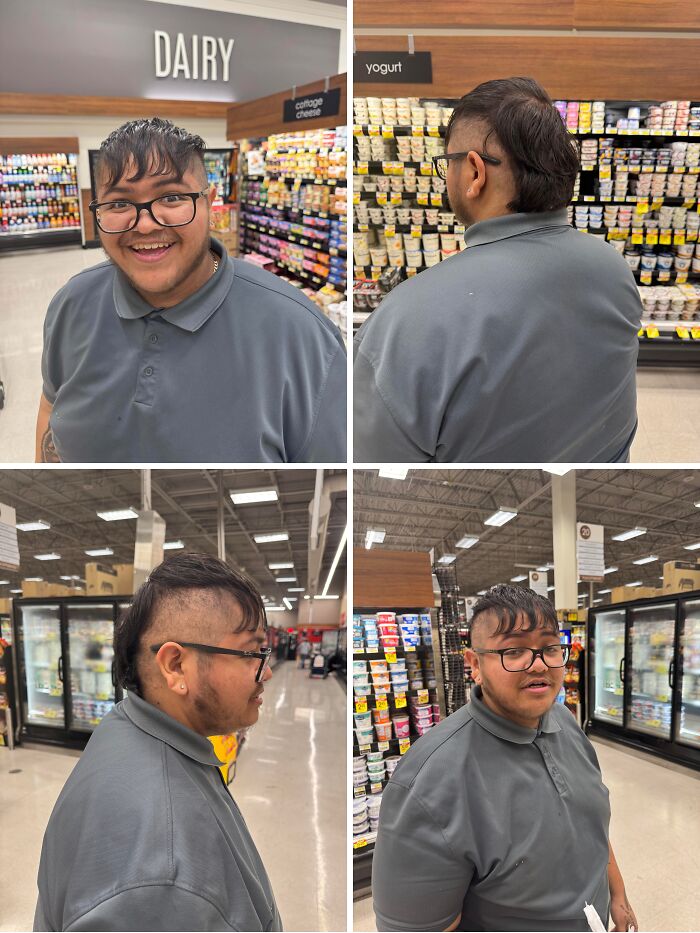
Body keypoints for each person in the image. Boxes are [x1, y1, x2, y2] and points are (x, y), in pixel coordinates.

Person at [354, 77, 641, 463]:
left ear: (474, 172)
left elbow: (371, 465)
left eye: (447, 163)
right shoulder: (613, 268)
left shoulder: (405, 320)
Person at [37, 117, 346, 463]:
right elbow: (51, 408)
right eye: (119, 204)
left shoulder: (300, 334)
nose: (145, 224)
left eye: (171, 197)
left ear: (210, 203)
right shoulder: (72, 303)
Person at [34, 552, 282, 932]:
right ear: (176, 666)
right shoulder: (161, 877)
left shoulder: (127, 726)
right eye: (251, 651)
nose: (265, 671)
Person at [372, 585, 637, 933]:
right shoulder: (428, 785)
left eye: (549, 648)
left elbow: (591, 825)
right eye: (514, 650)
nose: (539, 665)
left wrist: (617, 895)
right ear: (475, 664)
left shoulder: (567, 725)